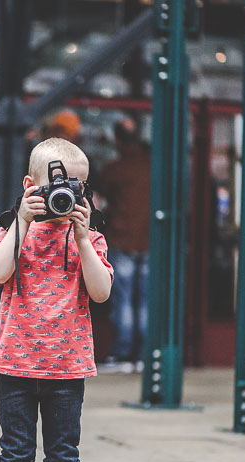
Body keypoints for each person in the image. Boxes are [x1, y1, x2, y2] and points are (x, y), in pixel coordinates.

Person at [0, 137, 112, 462]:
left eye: (77, 188)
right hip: (16, 365)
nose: (66, 196)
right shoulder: (11, 229)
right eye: (57, 186)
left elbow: (101, 292)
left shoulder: (90, 237)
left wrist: (81, 234)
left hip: (67, 367)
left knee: (64, 458)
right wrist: (21, 220)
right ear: (29, 186)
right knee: (15, 456)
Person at [98, 118, 151, 373]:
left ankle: (122, 352)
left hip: (121, 238)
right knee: (144, 302)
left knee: (123, 301)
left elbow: (101, 198)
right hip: (149, 242)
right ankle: (144, 354)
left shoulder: (114, 169)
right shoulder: (152, 166)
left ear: (118, 141)